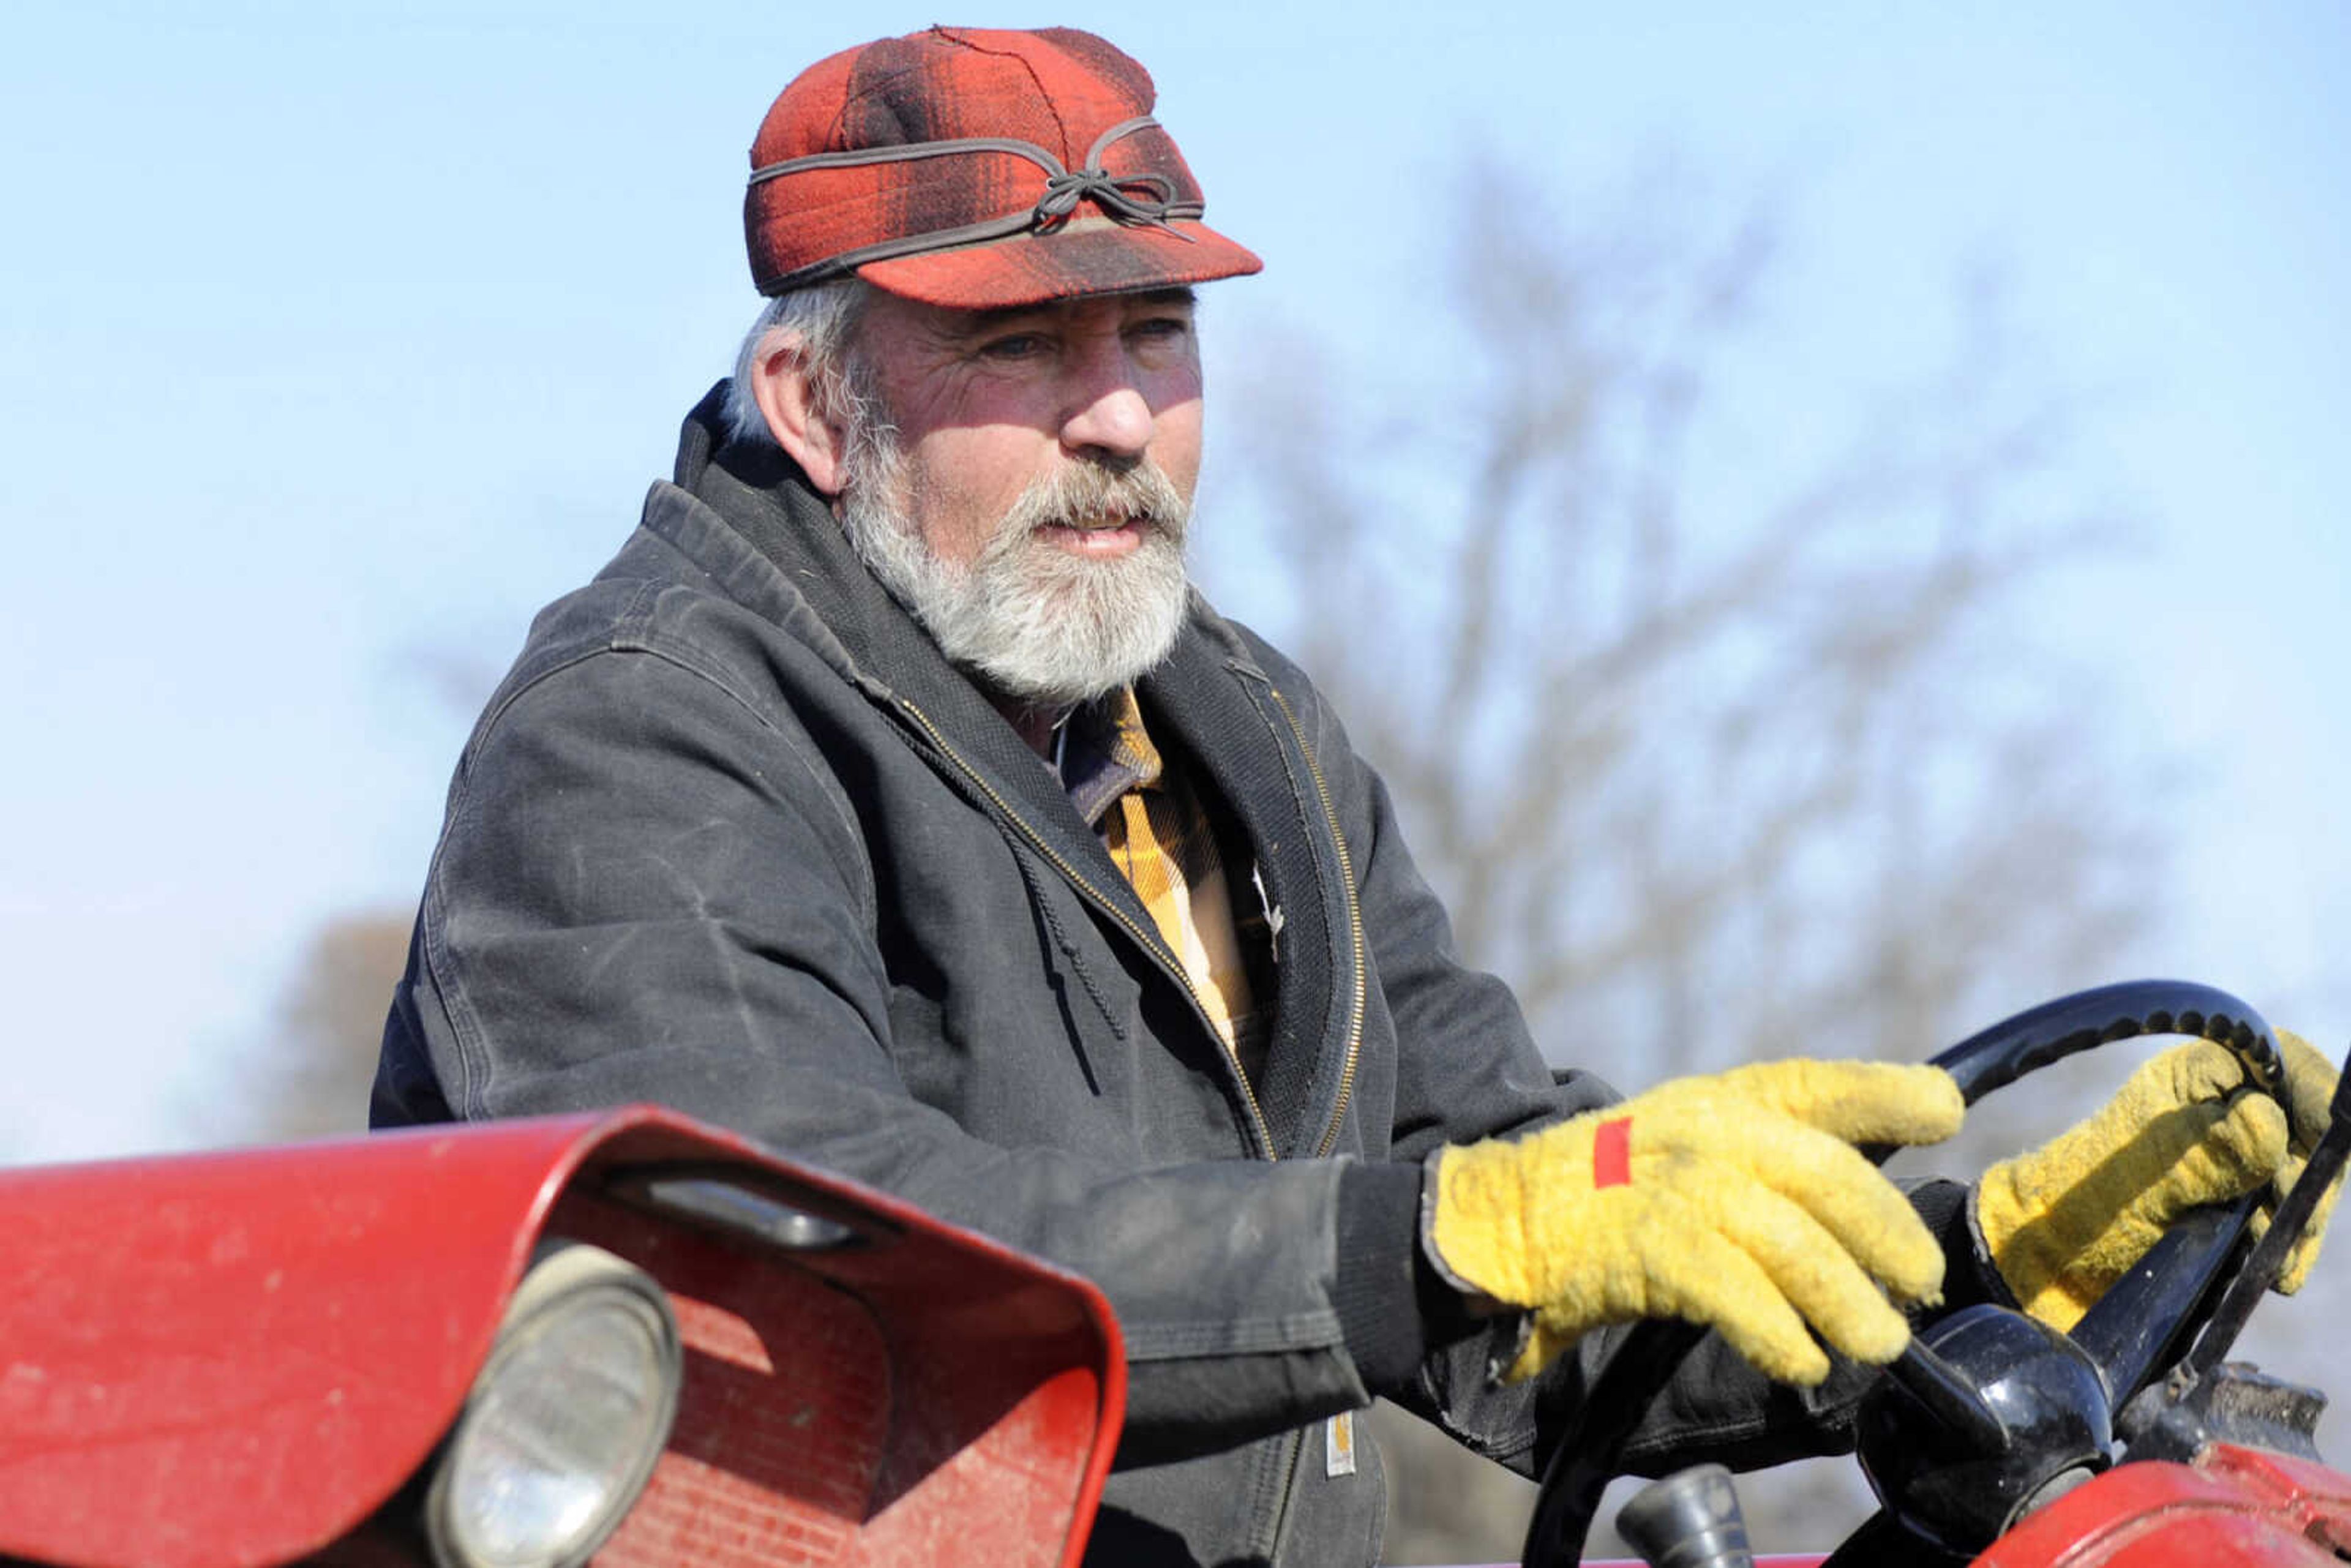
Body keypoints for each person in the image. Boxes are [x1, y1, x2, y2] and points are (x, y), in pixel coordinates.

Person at [372, 26, 2341, 1566]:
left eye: (1156, 330)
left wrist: (1982, 1254)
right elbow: (813, 1258)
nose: (1122, 413)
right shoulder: (640, 733)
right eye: (1020, 345)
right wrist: (1445, 1236)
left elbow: (1529, 1242)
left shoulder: (1237, 728)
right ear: (813, 402)